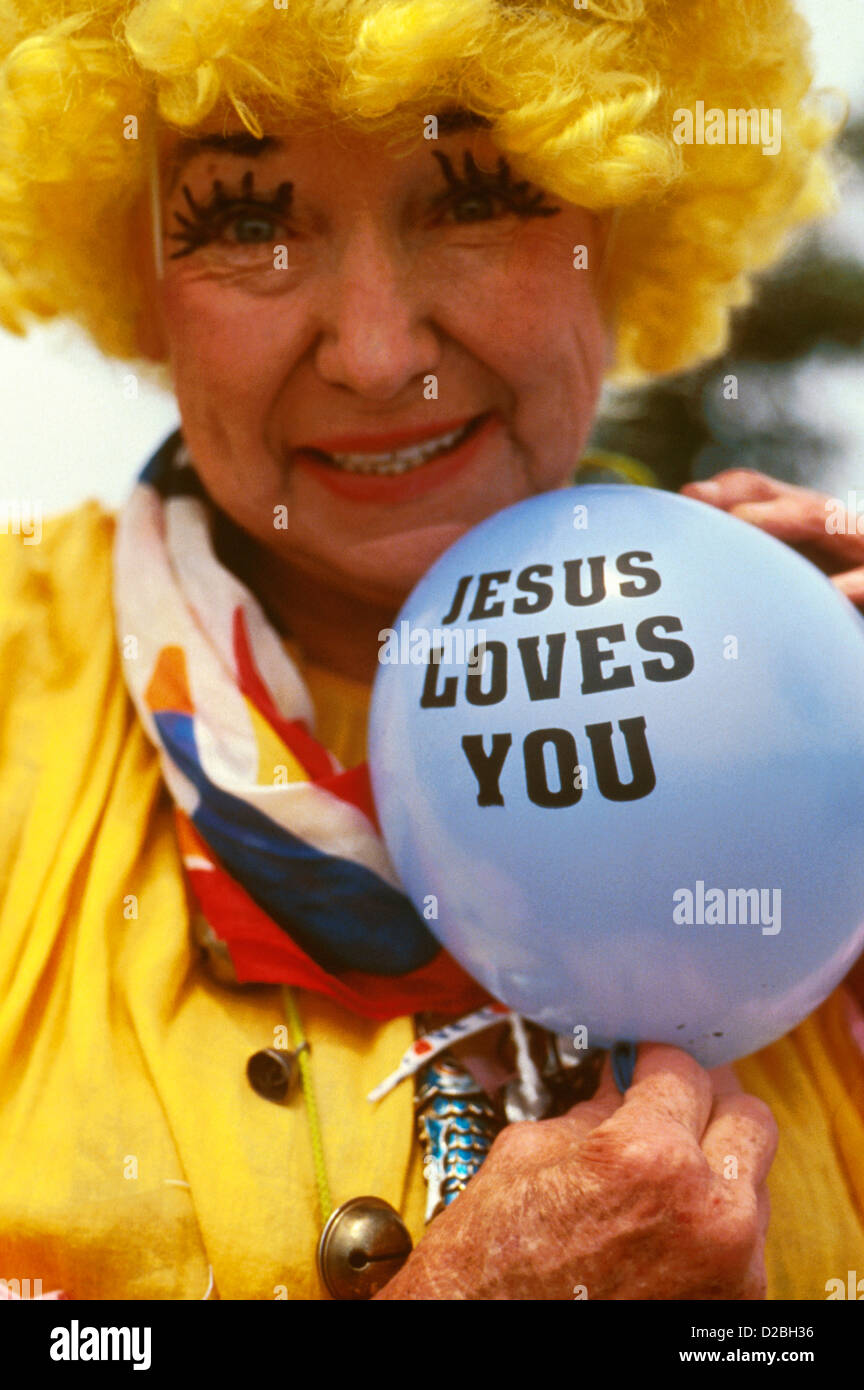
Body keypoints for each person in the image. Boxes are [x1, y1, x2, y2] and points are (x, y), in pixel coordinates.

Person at [1, 0, 863, 1302]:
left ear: (620, 217)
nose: (379, 350)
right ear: (135, 261)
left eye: (476, 196)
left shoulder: (820, 693)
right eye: (248, 221)